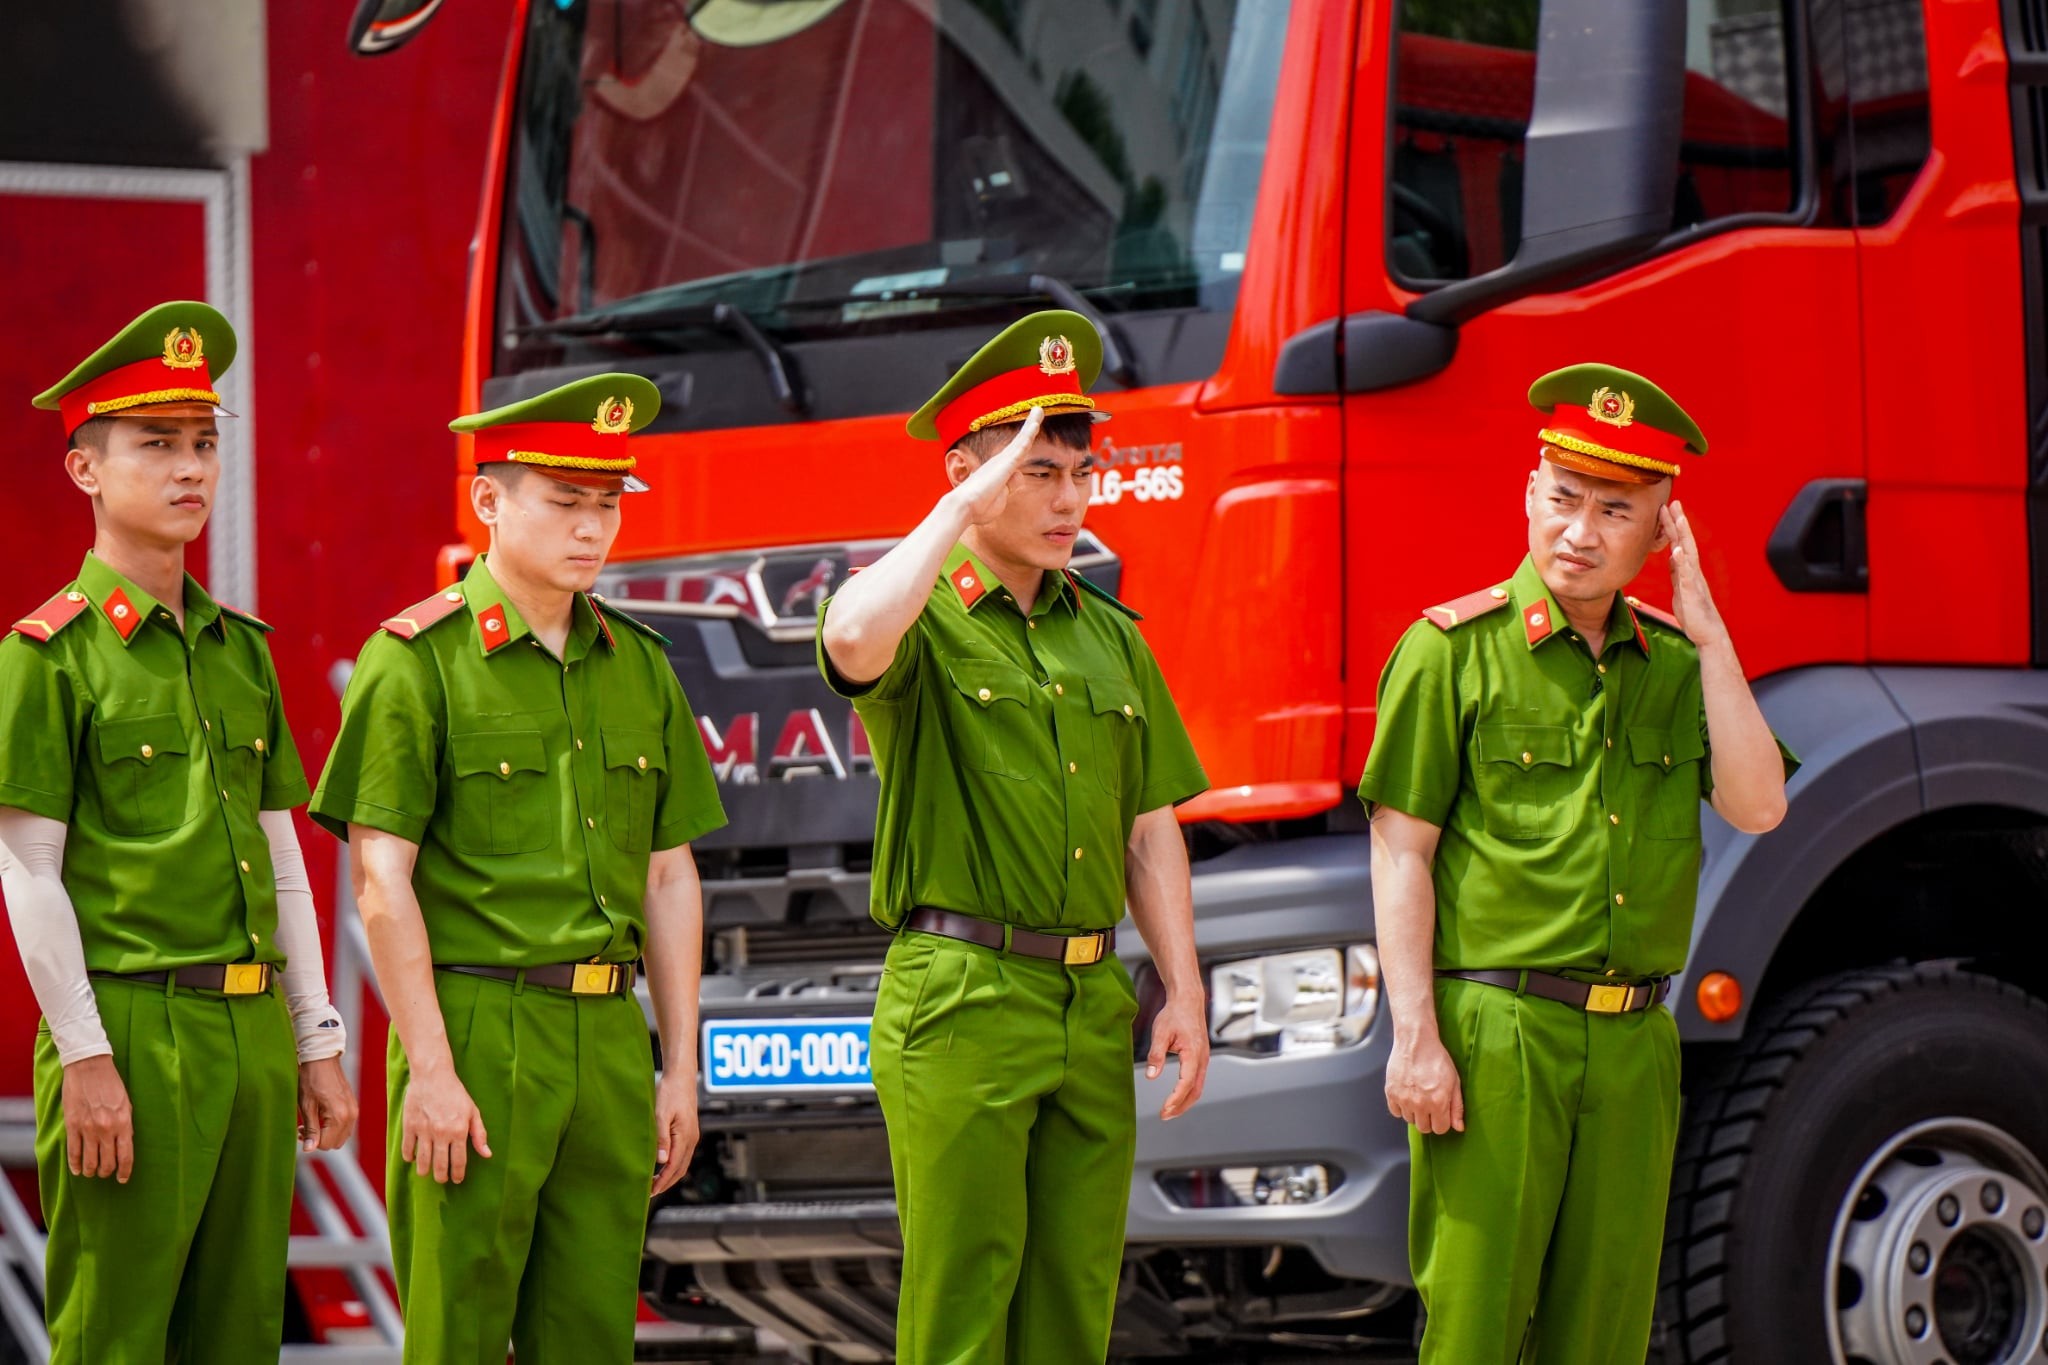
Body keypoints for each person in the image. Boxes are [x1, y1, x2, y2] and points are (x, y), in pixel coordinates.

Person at [1359, 363, 1797, 1362]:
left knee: (1602, 1335)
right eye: (1562, 498)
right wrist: (1415, 1036)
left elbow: (1759, 804)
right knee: (1474, 1328)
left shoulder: (1677, 664)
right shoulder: (1449, 651)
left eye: (1614, 510)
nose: (1580, 531)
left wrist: (1708, 626)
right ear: (1528, 494)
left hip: (1635, 1043)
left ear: (1661, 528)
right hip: (1497, 1033)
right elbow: (1400, 851)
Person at [817, 310, 1212, 1363]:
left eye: (1081, 472)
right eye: (1037, 472)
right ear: (967, 472)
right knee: (962, 1314)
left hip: (1090, 997)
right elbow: (848, 635)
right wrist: (955, 511)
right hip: (964, 994)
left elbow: (1148, 827)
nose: (1069, 499)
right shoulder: (921, 617)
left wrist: (1183, 988)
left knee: (1073, 1313)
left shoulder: (1107, 633)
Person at [310, 372, 725, 1364]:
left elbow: (669, 876)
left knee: (591, 1339)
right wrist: (432, 1068)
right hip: (476, 1030)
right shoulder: (417, 660)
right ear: (488, 500)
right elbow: (380, 879)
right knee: (456, 1334)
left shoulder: (640, 663)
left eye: (607, 503)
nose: (592, 527)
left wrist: (679, 1069)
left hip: (608, 1035)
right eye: (565, 499)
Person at [0, 300, 357, 1363]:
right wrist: (86, 1055)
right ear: (85, 470)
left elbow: (283, 858)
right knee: (115, 1338)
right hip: (130, 1027)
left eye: (203, 441)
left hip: (251, 1032)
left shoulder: (241, 650)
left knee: (240, 1336)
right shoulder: (49, 655)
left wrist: (316, 1038)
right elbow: (27, 868)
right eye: (156, 444)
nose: (191, 468)